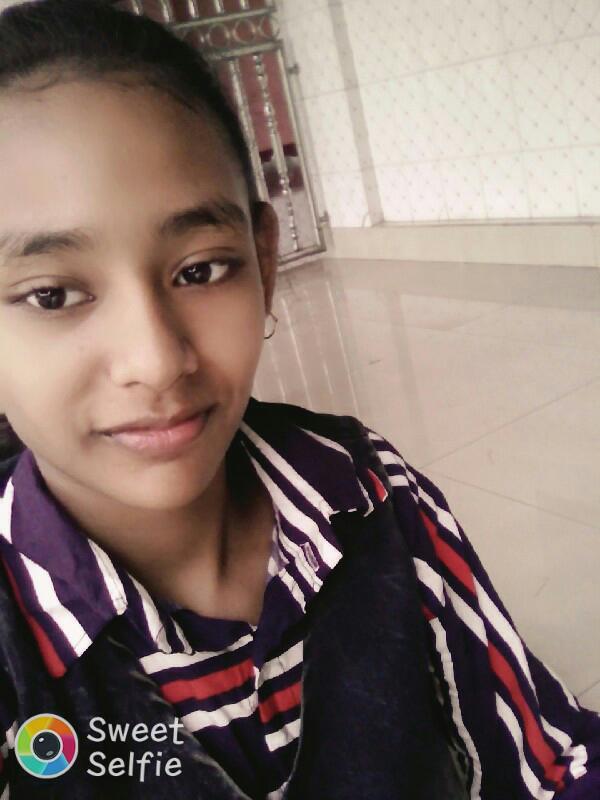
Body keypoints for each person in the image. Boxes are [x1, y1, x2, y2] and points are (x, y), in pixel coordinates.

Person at [0, 2, 597, 798]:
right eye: (51, 295)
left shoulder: (369, 494)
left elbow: (550, 764)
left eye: (200, 269)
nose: (156, 360)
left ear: (264, 260)